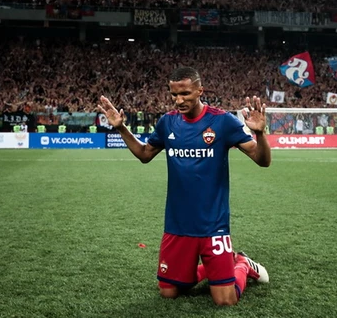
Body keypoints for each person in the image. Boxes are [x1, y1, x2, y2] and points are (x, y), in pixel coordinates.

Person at [97, 66, 270, 306]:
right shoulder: (168, 122)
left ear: (200, 91)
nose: (179, 100)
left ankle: (241, 263)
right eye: (174, 95)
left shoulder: (222, 122)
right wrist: (120, 127)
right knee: (168, 293)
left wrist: (260, 134)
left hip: (213, 225)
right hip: (177, 224)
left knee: (225, 301)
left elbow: (262, 160)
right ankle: (217, 268)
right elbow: (145, 154)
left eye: (185, 94)